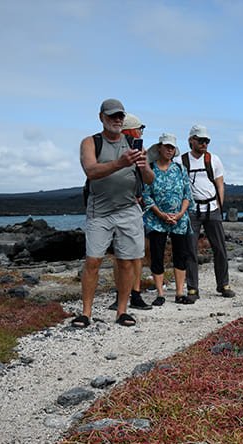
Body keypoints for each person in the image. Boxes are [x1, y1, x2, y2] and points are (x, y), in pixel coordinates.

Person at [73, 98, 154, 328]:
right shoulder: (91, 142)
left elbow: (150, 180)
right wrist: (120, 163)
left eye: (120, 116)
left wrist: (143, 166)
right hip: (99, 212)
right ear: (102, 117)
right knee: (93, 261)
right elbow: (91, 171)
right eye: (112, 116)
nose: (117, 120)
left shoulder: (133, 143)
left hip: (128, 210)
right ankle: (86, 313)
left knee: (126, 262)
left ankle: (122, 311)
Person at [178, 124, 235, 300]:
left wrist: (219, 206)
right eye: (201, 140)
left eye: (207, 141)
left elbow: (220, 184)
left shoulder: (213, 160)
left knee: (220, 248)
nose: (204, 144)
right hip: (191, 211)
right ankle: (192, 289)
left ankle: (223, 284)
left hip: (212, 209)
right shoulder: (181, 161)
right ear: (191, 140)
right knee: (190, 250)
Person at [141, 133, 195, 305]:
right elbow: (146, 195)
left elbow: (187, 194)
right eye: (167, 146)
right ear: (159, 148)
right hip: (156, 220)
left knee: (181, 255)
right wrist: (160, 214)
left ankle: (179, 293)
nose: (170, 150)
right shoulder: (150, 169)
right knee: (157, 255)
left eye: (172, 147)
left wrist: (179, 214)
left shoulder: (180, 169)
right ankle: (160, 294)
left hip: (179, 219)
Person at [107, 113, 152, 312]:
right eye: (139, 129)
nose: (141, 133)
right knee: (124, 255)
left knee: (133, 254)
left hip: (129, 207)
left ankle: (132, 294)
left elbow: (146, 178)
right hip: (116, 207)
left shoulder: (138, 152)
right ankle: (128, 294)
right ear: (131, 131)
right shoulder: (114, 152)